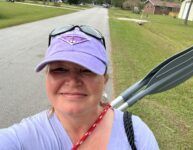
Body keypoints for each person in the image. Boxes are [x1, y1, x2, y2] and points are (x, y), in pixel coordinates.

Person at [0, 25, 159, 150]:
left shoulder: (135, 133)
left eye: (87, 70)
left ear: (105, 79)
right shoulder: (23, 137)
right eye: (60, 69)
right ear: (47, 77)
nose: (72, 80)